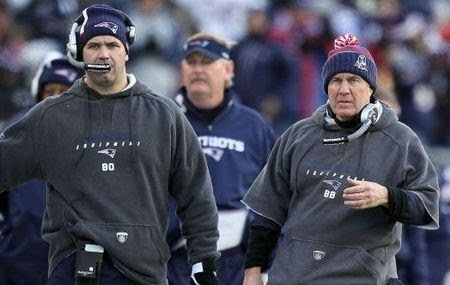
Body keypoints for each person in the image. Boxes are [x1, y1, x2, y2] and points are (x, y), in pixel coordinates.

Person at [0, 4, 220, 285]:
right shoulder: (50, 116)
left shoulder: (165, 115)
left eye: (112, 45)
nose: (103, 53)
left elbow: (196, 196)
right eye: (93, 45)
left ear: (126, 51)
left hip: (145, 273)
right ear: (80, 53)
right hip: (75, 271)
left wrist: (204, 261)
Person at [241, 33, 440, 285]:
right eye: (336, 80)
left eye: (354, 80)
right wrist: (252, 271)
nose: (344, 89)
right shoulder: (298, 135)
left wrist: (387, 197)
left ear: (370, 88)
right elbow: (268, 212)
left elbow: (427, 208)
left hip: (361, 278)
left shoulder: (401, 139)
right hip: (293, 276)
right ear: (326, 88)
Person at [167, 33, 276, 285]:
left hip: (237, 259)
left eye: (206, 62)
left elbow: (276, 197)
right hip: (177, 256)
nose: (198, 69)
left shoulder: (254, 126)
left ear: (228, 69)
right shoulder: (163, 120)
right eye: (191, 62)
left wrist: (265, 262)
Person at [0, 51, 83, 285]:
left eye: (63, 92)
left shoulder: (99, 141)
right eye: (49, 92)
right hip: (19, 264)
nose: (54, 99)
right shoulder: (14, 132)